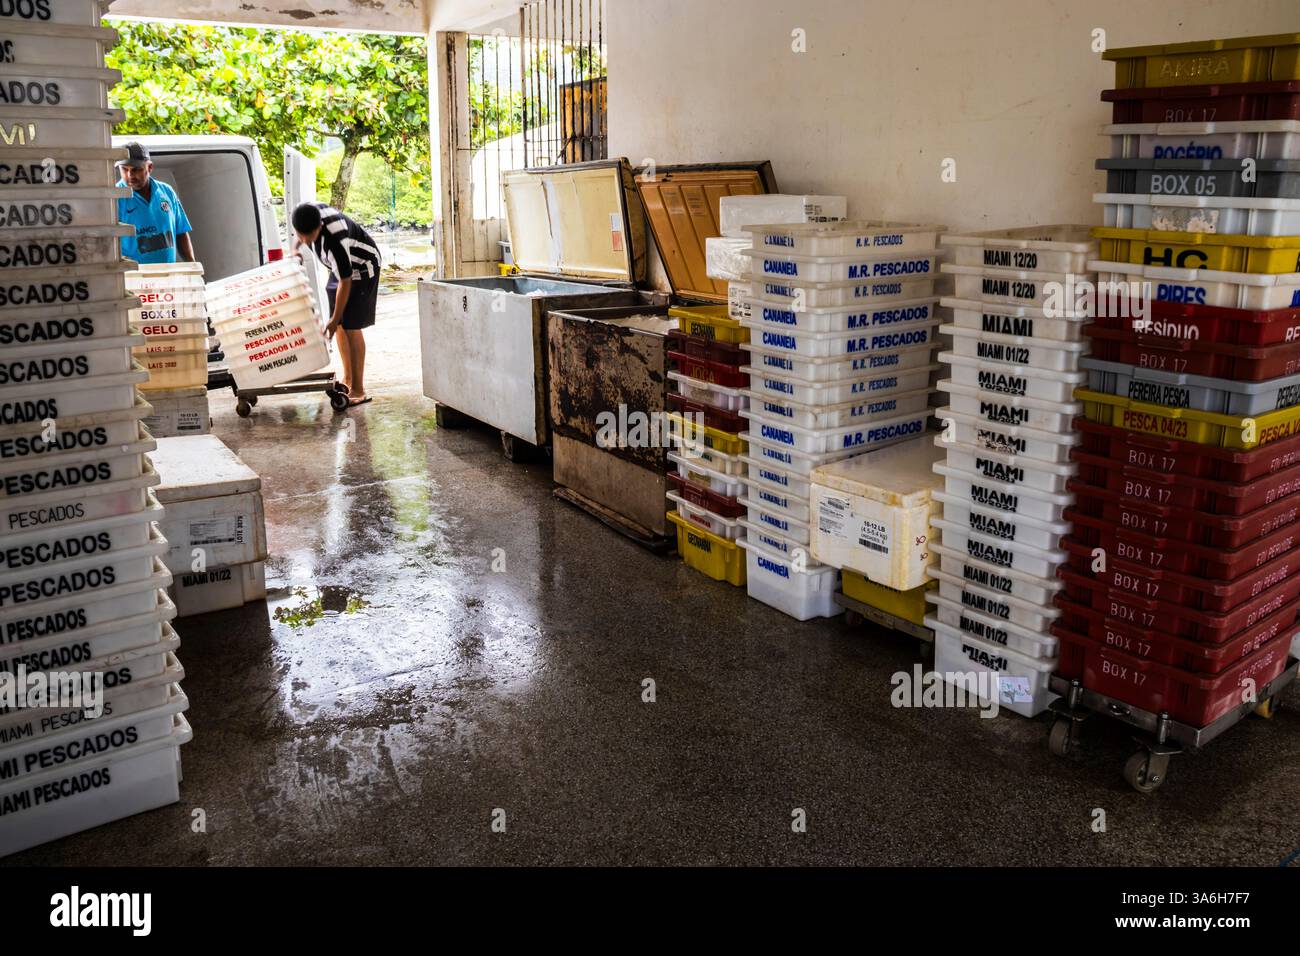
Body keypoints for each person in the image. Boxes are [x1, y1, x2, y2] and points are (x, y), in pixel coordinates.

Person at [290, 202, 382, 408]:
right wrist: (295, 249)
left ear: (320, 227)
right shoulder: (304, 214)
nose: (306, 241)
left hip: (362, 267)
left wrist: (333, 318)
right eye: (301, 236)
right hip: (338, 269)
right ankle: (348, 379)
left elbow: (346, 280)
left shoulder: (335, 238)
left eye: (310, 236)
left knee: (350, 325)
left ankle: (359, 389)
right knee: (340, 325)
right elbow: (301, 234)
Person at [115, 142, 196, 264]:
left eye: (136, 169)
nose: (130, 175)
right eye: (124, 169)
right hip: (134, 278)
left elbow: (181, 232)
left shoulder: (166, 191)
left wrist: (192, 267)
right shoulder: (114, 198)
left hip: (168, 275)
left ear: (150, 167)